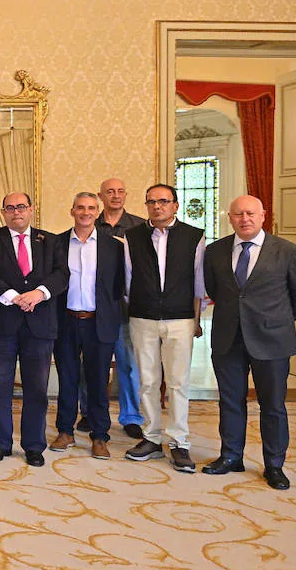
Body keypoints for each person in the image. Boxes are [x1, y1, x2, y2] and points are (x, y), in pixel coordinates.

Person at [202, 196, 296, 490]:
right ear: (230, 218)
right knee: (230, 401)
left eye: (250, 213)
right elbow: (216, 290)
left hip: (272, 340)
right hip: (228, 339)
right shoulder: (214, 251)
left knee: (273, 404)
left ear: (263, 216)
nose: (244, 219)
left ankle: (274, 465)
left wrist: (275, 319)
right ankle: (230, 456)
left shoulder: (288, 252)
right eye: (238, 214)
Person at [0, 192, 68, 468]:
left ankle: (33, 445)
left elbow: (62, 274)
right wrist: (13, 296)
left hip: (39, 323)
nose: (17, 212)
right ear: (3, 212)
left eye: (22, 207)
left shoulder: (50, 240)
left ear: (31, 209)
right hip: (1, 323)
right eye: (11, 208)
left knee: (37, 388)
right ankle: (1, 443)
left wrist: (38, 294)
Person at [122, 183, 206, 474]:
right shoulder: (132, 237)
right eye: (151, 202)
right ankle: (152, 437)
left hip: (180, 318)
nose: (157, 207)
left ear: (175, 205)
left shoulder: (194, 236)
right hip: (142, 318)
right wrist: (135, 309)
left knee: (178, 382)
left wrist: (196, 321)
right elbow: (128, 281)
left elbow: (199, 283)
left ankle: (179, 442)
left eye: (163, 201)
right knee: (147, 380)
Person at [50, 192, 125, 460]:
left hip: (99, 323)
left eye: (91, 208)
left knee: (97, 380)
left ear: (98, 211)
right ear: (72, 211)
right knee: (67, 378)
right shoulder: (55, 243)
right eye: (80, 208)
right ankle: (65, 431)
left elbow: (120, 286)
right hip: (65, 321)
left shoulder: (114, 246)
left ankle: (100, 435)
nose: (85, 212)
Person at [96, 177, 148, 439]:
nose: (115, 196)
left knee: (128, 364)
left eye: (120, 192)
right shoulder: (91, 224)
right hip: (95, 308)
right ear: (100, 196)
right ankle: (91, 413)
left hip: (127, 308)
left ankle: (130, 416)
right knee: (93, 365)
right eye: (109, 192)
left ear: (126, 195)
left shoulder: (140, 226)